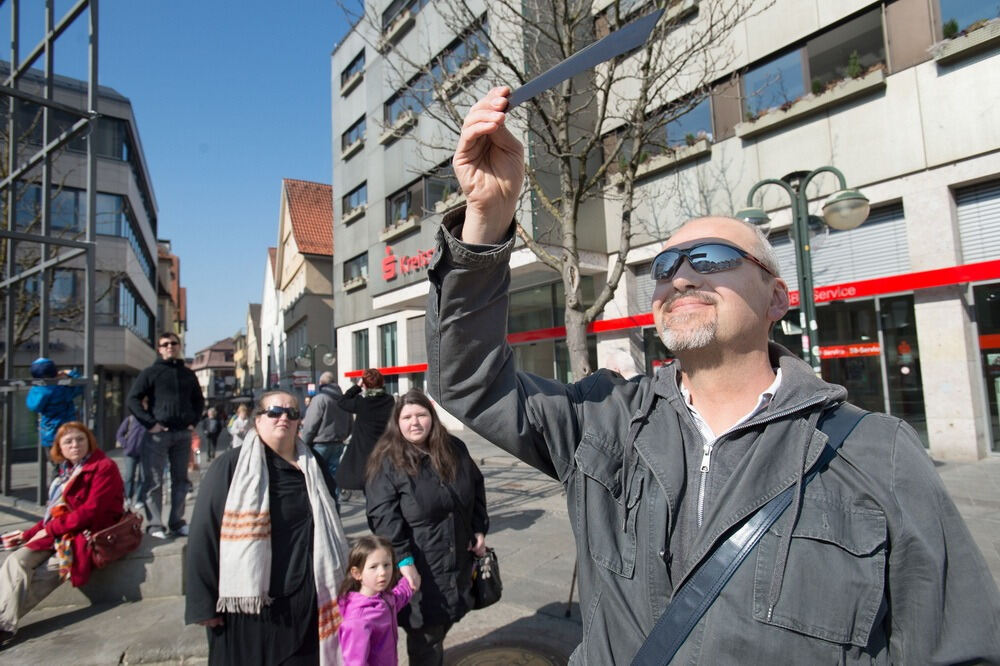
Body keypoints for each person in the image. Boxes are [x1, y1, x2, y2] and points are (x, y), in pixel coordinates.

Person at [423, 86, 1000, 663]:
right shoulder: (604, 420)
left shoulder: (879, 454)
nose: (680, 277)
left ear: (777, 298)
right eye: (666, 265)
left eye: (713, 258)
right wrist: (489, 218)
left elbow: (960, 647)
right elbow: (468, 381)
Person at [185, 390, 350, 665]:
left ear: (300, 422)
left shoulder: (315, 465)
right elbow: (204, 533)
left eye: (292, 413)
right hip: (253, 608)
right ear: (257, 420)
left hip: (308, 603)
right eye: (274, 412)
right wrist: (202, 603)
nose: (283, 417)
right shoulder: (231, 466)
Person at [365, 389, 488, 665]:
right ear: (397, 422)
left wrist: (479, 528)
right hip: (418, 565)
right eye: (407, 417)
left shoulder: (454, 448)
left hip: (457, 556)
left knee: (444, 623)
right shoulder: (388, 460)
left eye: (421, 414)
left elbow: (476, 487)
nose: (415, 422)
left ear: (432, 417)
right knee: (425, 637)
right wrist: (403, 559)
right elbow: (384, 517)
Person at [0, 422, 124, 646]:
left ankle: (3, 626)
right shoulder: (65, 473)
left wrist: (49, 530)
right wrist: (28, 534)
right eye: (69, 442)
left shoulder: (104, 467)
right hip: (59, 532)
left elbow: (90, 512)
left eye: (80, 439)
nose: (75, 445)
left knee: (46, 574)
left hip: (85, 536)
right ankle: (3, 622)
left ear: (89, 441)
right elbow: (53, 514)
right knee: (15, 561)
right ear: (60, 448)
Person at [126, 331, 204, 539]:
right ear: (159, 349)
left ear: (179, 347)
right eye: (165, 344)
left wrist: (193, 422)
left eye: (173, 343)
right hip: (158, 435)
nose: (170, 346)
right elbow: (133, 399)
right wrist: (150, 424)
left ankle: (177, 522)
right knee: (153, 482)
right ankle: (155, 525)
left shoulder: (188, 374)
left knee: (181, 480)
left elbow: (199, 401)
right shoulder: (151, 373)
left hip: (182, 434)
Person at [337, 535, 414, 666]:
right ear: (357, 573)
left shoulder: (384, 597)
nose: (383, 572)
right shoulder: (358, 620)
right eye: (373, 567)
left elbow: (397, 598)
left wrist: (410, 580)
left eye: (386, 565)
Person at [335, 369, 394, 496]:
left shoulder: (361, 402)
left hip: (363, 452)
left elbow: (342, 401)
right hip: (384, 450)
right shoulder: (390, 401)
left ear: (364, 384)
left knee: (368, 490)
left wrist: (357, 386)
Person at [300, 372, 352, 510]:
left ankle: (321, 512)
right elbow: (350, 423)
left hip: (320, 444)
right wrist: (343, 436)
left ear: (321, 384)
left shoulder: (320, 399)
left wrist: (303, 443)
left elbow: (310, 425)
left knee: (317, 480)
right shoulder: (343, 399)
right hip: (338, 443)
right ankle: (335, 511)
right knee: (333, 480)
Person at [25, 358, 82, 461]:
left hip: (48, 433)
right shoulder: (62, 390)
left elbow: (32, 406)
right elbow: (80, 385)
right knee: (69, 463)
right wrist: (70, 373)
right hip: (66, 431)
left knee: (55, 462)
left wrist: (35, 387)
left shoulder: (38, 390)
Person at [115, 407, 148, 511]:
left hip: (145, 453)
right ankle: (127, 497)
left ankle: (139, 500)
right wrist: (126, 445)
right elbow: (119, 434)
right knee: (129, 476)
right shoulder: (130, 419)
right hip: (130, 453)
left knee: (143, 478)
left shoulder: (149, 420)